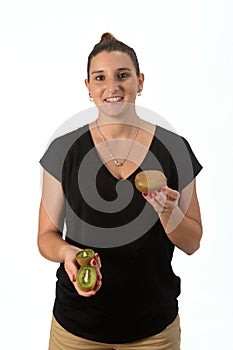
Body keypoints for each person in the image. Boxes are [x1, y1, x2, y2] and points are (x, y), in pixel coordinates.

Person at [38, 32, 203, 350]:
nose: (112, 87)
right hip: (76, 328)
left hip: (153, 330)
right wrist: (66, 253)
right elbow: (46, 235)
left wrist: (167, 210)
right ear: (88, 87)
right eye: (100, 77)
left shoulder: (175, 150)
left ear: (140, 81)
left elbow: (192, 242)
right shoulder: (63, 151)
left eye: (123, 75)